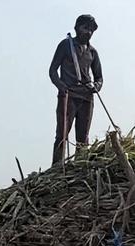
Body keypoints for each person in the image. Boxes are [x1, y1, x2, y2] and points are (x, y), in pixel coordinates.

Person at [49, 14, 103, 165]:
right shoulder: (66, 45)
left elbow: (99, 77)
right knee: (62, 134)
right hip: (68, 95)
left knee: (83, 137)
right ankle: (57, 167)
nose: (88, 32)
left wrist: (96, 87)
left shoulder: (92, 52)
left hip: (86, 98)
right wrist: (61, 86)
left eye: (91, 30)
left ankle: (80, 166)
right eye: (85, 28)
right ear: (77, 28)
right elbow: (52, 71)